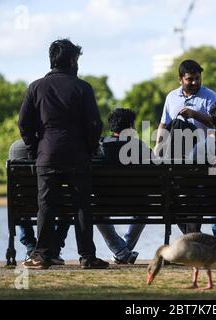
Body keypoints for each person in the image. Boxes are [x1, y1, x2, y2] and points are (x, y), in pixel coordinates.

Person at [18, 39, 108, 269]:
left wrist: (34, 150)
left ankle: (41, 254)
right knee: (81, 206)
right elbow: (95, 124)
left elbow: (24, 123)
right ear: (71, 60)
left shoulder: (35, 87)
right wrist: (88, 149)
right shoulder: (83, 88)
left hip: (47, 155)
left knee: (46, 206)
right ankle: (87, 256)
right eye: (77, 59)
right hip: (78, 156)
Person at [155, 59, 216, 235]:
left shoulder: (210, 97)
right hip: (176, 156)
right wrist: (157, 147)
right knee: (172, 198)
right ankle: (191, 237)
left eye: (197, 78)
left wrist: (194, 115)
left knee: (194, 199)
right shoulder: (171, 97)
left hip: (201, 157)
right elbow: (163, 125)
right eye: (190, 79)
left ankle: (192, 237)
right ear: (180, 79)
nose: (194, 83)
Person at [95, 108, 150, 264]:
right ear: (131, 126)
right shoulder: (140, 147)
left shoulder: (100, 146)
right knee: (143, 213)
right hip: (137, 203)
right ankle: (123, 251)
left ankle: (121, 251)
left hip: (104, 203)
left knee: (97, 214)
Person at [9, 139, 70, 265]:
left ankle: (31, 248)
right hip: (55, 203)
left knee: (20, 205)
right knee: (67, 207)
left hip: (24, 204)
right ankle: (54, 249)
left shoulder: (16, 148)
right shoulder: (58, 147)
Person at [189, 99, 216, 239]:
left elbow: (189, 169)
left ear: (212, 122)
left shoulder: (201, 147)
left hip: (207, 198)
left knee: (213, 201)